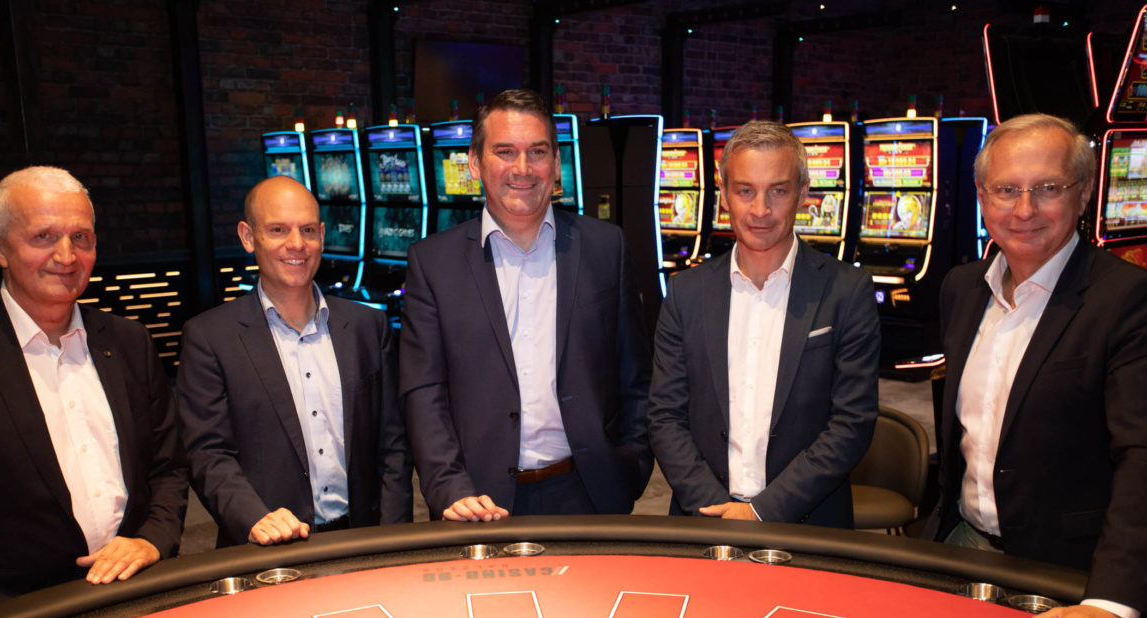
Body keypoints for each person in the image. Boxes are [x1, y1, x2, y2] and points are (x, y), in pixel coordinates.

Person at [926, 113, 1147, 618]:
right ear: (982, 197)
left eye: (1047, 188)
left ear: (1084, 192)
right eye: (1006, 190)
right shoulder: (961, 287)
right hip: (963, 547)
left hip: (1073, 578)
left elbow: (1142, 455)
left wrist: (1112, 601)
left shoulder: (1128, 299)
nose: (1024, 210)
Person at [400, 89, 653, 522]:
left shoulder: (605, 247)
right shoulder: (432, 262)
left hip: (591, 494)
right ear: (475, 163)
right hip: (478, 502)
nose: (523, 168)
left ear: (556, 162)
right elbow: (424, 392)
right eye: (505, 152)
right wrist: (449, 487)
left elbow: (635, 374)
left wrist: (631, 465)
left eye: (537, 152)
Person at [0, 166, 187, 613]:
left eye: (81, 238)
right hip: (3, 615)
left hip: (135, 596)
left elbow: (168, 467)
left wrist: (152, 540)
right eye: (44, 237)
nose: (67, 255)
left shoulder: (129, 341)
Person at [648, 121, 879, 526]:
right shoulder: (685, 292)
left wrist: (762, 512)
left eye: (778, 190)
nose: (760, 210)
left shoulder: (847, 290)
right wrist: (717, 511)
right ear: (723, 195)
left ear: (803, 194)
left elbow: (851, 423)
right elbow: (665, 415)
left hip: (808, 524)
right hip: (703, 518)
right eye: (745, 191)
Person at [177, 176, 411, 546]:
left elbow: (393, 445)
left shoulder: (368, 326)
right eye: (278, 230)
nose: (297, 244)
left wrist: (394, 537)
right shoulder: (209, 337)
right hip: (267, 548)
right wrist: (254, 519)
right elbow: (207, 453)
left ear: (322, 235)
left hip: (364, 540)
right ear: (248, 237)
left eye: (307, 230)